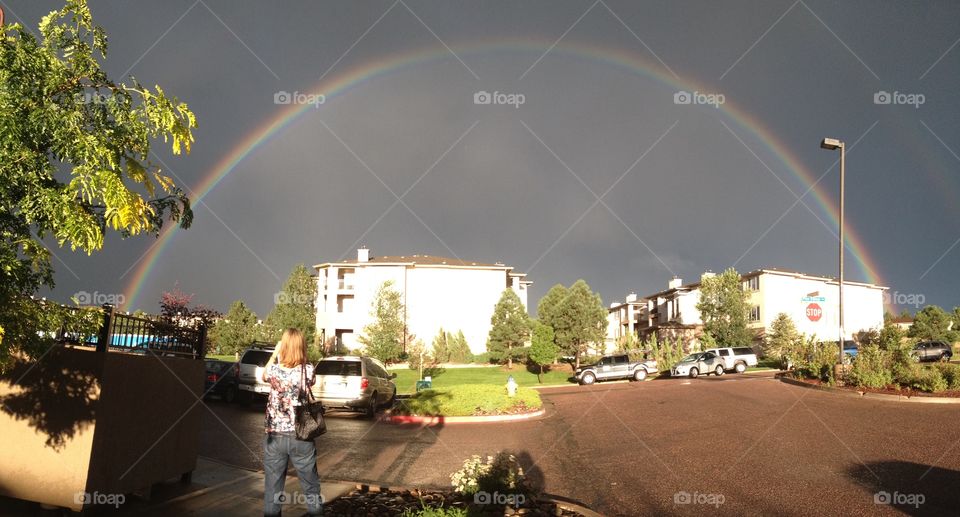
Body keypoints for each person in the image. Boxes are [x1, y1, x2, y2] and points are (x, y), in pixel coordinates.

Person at [261, 328, 322, 516]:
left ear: (284, 346)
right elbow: (310, 382)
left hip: (275, 436)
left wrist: (276, 353)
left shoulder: (274, 370)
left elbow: (263, 375)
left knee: (273, 491)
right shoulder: (308, 370)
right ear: (302, 346)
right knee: (311, 489)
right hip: (301, 435)